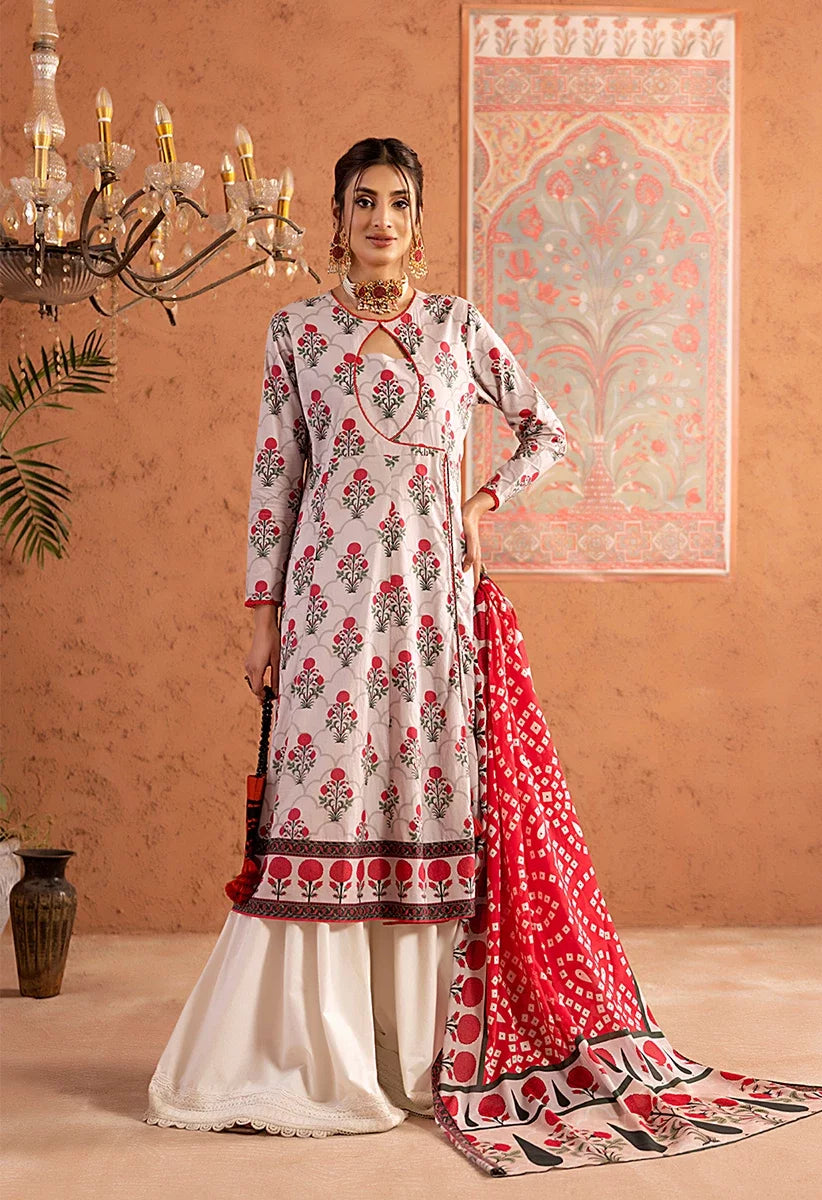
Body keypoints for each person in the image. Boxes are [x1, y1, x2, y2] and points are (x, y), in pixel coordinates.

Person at [142, 136, 568, 1137]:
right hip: (327, 614)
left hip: (430, 613)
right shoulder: (296, 332)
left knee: (422, 798)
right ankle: (316, 1053)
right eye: (364, 200)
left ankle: (417, 1050)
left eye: (399, 202)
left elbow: (545, 429)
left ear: (418, 221)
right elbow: (274, 483)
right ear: (336, 218)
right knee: (322, 807)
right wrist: (262, 619)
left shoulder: (458, 327)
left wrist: (484, 498)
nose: (382, 218)